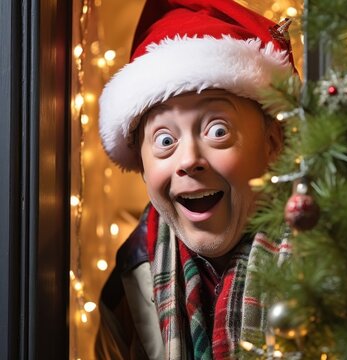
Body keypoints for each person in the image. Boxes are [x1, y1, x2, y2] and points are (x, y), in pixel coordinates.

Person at [95, 0, 296, 359]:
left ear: (272, 143)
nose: (188, 160)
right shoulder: (124, 295)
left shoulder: (330, 263)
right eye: (165, 141)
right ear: (140, 162)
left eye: (217, 130)